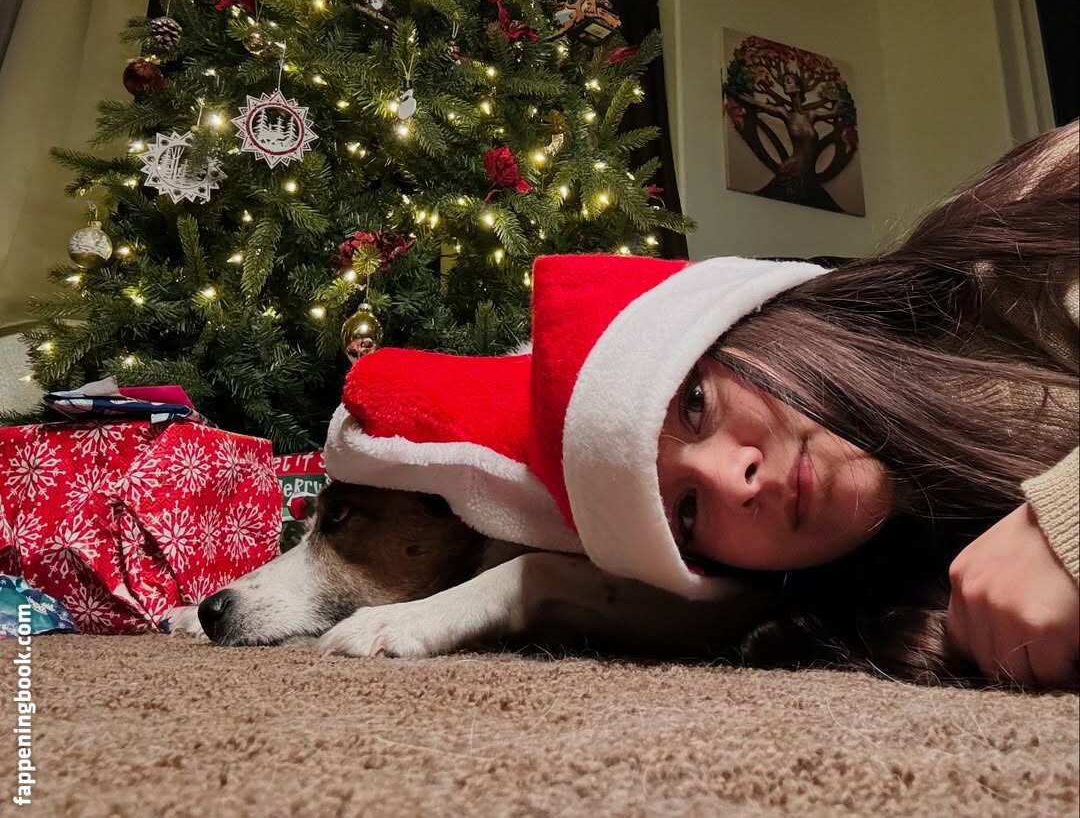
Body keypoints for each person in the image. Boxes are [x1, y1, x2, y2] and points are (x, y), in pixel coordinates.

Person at [326, 121, 1077, 689]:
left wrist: (1063, 525)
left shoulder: (1016, 241)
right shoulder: (883, 614)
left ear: (751, 322)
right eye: (687, 513)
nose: (731, 478)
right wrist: (531, 589)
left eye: (694, 402)